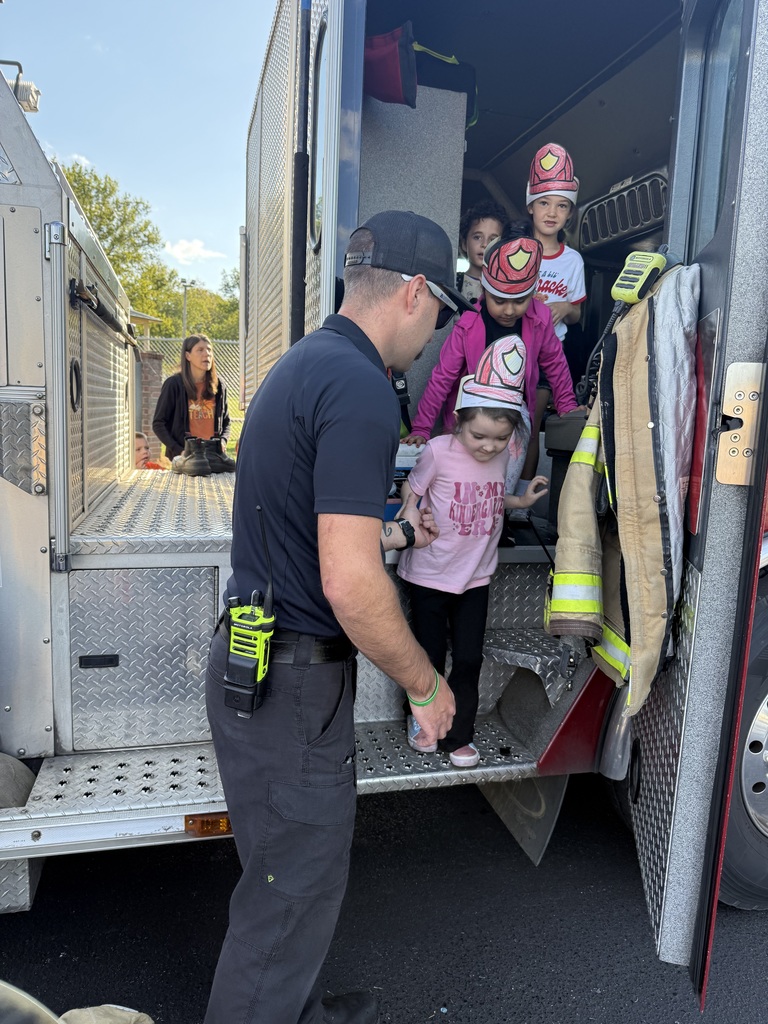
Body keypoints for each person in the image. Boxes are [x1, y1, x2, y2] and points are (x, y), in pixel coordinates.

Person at [204, 210, 473, 1024]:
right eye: (440, 315)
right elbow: (349, 584)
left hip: (256, 665)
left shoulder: (301, 365)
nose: (434, 339)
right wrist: (427, 687)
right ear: (415, 292)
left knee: (290, 882)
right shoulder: (361, 388)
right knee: (284, 904)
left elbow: (308, 522)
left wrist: (397, 533)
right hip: (293, 689)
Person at [397, 335, 548, 766]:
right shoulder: (438, 452)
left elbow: (492, 496)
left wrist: (521, 500)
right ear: (458, 421)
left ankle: (459, 735)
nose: (488, 446)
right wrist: (409, 516)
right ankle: (421, 721)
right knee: (426, 658)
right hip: (429, 574)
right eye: (479, 435)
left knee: (468, 658)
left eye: (500, 439)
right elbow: (412, 490)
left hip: (475, 578)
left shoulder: (500, 458)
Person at [402, 235, 579, 498]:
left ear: (532, 294)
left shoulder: (540, 318)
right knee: (466, 479)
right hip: (471, 419)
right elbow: (442, 378)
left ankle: (501, 506)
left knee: (502, 476)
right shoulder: (468, 324)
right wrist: (421, 429)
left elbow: (555, 363)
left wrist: (567, 405)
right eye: (500, 300)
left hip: (512, 419)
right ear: (485, 292)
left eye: (519, 301)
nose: (509, 310)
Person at [521, 142, 587, 481]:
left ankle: (520, 499)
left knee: (530, 427)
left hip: (549, 356)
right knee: (500, 423)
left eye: (561, 205)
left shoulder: (573, 260)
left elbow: (576, 316)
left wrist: (565, 307)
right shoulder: (516, 251)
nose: (551, 212)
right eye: (544, 203)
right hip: (513, 347)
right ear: (530, 206)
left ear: (569, 213)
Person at [151, 334, 232, 463]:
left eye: (209, 350)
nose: (207, 354)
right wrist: (179, 451)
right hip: (185, 459)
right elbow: (158, 424)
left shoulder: (219, 385)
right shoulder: (173, 384)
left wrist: (222, 441)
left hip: (213, 456)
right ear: (188, 356)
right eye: (200, 350)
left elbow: (226, 421)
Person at [456, 199, 509, 304]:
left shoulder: (506, 287)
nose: (484, 244)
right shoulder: (455, 282)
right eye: (477, 237)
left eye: (493, 239)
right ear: (464, 244)